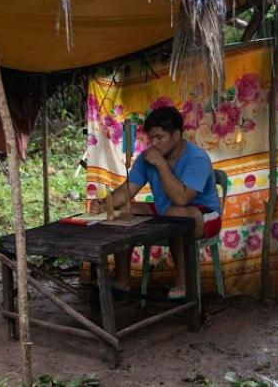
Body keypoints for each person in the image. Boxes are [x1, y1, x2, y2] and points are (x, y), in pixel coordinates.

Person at [91, 106, 221, 300]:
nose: (154, 143)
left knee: (176, 215)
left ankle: (184, 282)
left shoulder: (197, 158)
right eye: (152, 138)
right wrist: (104, 203)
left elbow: (182, 199)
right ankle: (122, 281)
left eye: (160, 138)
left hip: (204, 215)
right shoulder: (147, 158)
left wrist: (160, 164)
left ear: (176, 135)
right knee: (125, 210)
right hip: (166, 211)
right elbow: (129, 189)